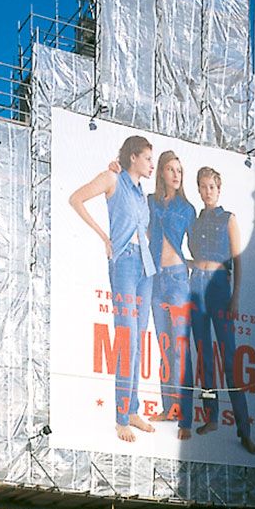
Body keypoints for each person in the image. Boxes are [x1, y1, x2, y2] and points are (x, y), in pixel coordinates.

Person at [69, 136, 158, 443]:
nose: (151, 164)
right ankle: (121, 418)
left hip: (147, 268)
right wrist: (103, 237)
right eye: (147, 158)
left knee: (138, 343)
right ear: (133, 157)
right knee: (126, 340)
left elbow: (142, 228)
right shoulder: (112, 178)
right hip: (124, 264)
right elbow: (76, 199)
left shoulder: (141, 193)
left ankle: (132, 409)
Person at [188, 166, 255, 454]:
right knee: (205, 358)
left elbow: (238, 260)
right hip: (197, 287)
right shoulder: (196, 220)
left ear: (219, 189)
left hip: (219, 287)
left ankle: (244, 430)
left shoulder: (229, 219)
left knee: (229, 360)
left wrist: (236, 297)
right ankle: (211, 416)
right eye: (203, 187)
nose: (207, 192)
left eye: (212, 187)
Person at [145, 151, 197, 439]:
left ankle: (184, 414)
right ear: (161, 173)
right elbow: (142, 233)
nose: (176, 174)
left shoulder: (187, 208)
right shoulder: (150, 203)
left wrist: (194, 263)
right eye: (170, 169)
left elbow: (197, 245)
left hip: (177, 280)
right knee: (165, 346)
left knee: (180, 347)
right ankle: (169, 408)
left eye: (179, 170)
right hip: (155, 279)